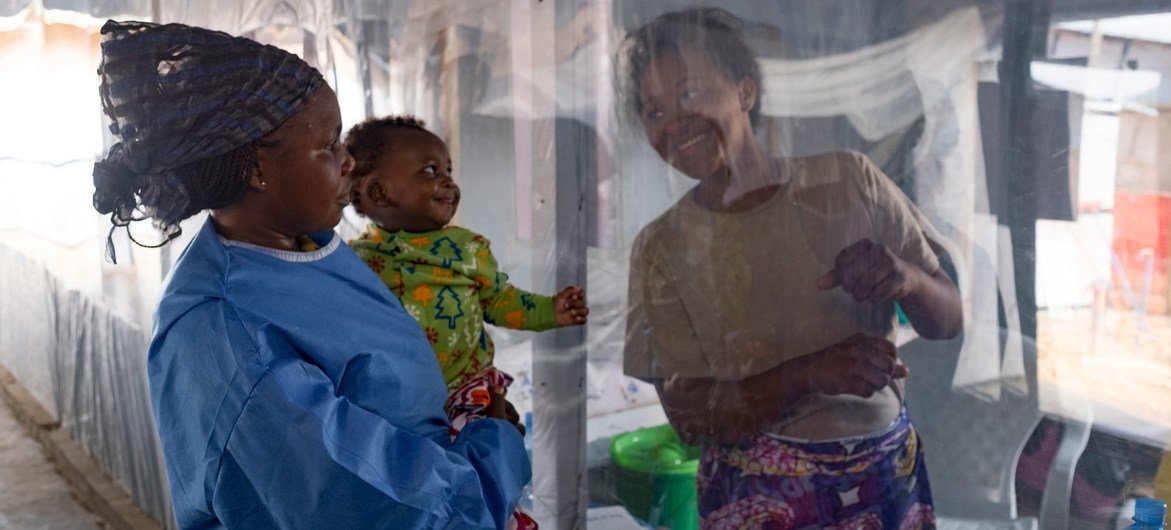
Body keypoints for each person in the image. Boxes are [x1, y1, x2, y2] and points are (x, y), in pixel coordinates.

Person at [91, 20, 528, 529]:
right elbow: (382, 511)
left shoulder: (306, 246)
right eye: (328, 146)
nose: (349, 162)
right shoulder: (229, 332)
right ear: (257, 168)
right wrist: (495, 450)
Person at [619, 8, 963, 529]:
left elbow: (948, 321)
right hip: (757, 495)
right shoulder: (662, 247)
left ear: (745, 92)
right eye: (653, 111)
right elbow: (690, 418)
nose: (673, 123)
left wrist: (907, 278)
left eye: (689, 94)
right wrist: (808, 374)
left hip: (884, 481)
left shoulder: (849, 182)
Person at [344, 115, 589, 409]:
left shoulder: (466, 250)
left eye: (448, 169)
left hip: (465, 391)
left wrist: (550, 311)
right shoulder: (354, 259)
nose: (448, 180)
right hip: (395, 401)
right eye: (430, 170)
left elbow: (500, 302)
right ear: (380, 193)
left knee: (470, 447)